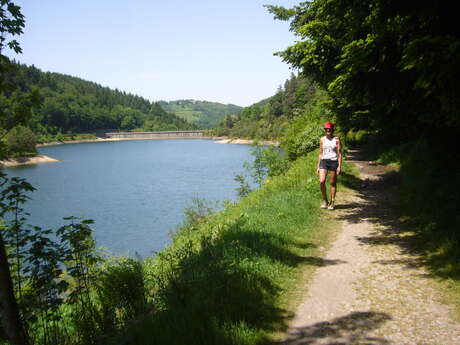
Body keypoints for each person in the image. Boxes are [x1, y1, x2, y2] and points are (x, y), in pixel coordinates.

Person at [316, 121, 342, 210]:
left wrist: (339, 166)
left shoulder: (337, 139)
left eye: (329, 129)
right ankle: (325, 200)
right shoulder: (322, 139)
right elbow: (320, 153)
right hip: (324, 161)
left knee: (332, 183)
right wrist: (318, 166)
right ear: (325, 130)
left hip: (333, 162)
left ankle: (332, 202)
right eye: (326, 129)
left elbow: (340, 154)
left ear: (332, 130)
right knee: (322, 181)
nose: (328, 130)